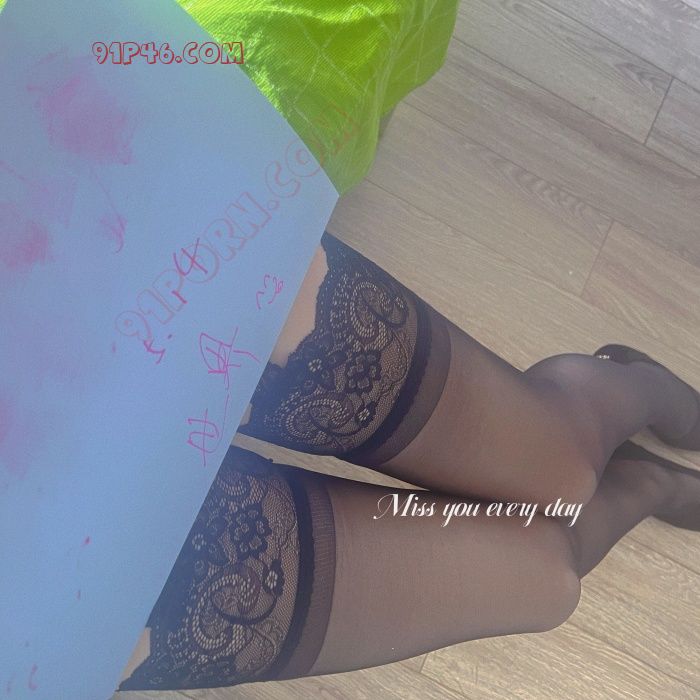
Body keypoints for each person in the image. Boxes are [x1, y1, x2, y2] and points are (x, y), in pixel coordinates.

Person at [117, 0, 700, 692]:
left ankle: (641, 391)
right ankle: (648, 481)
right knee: (547, 578)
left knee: (564, 472)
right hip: (56, 580)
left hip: (101, 290)